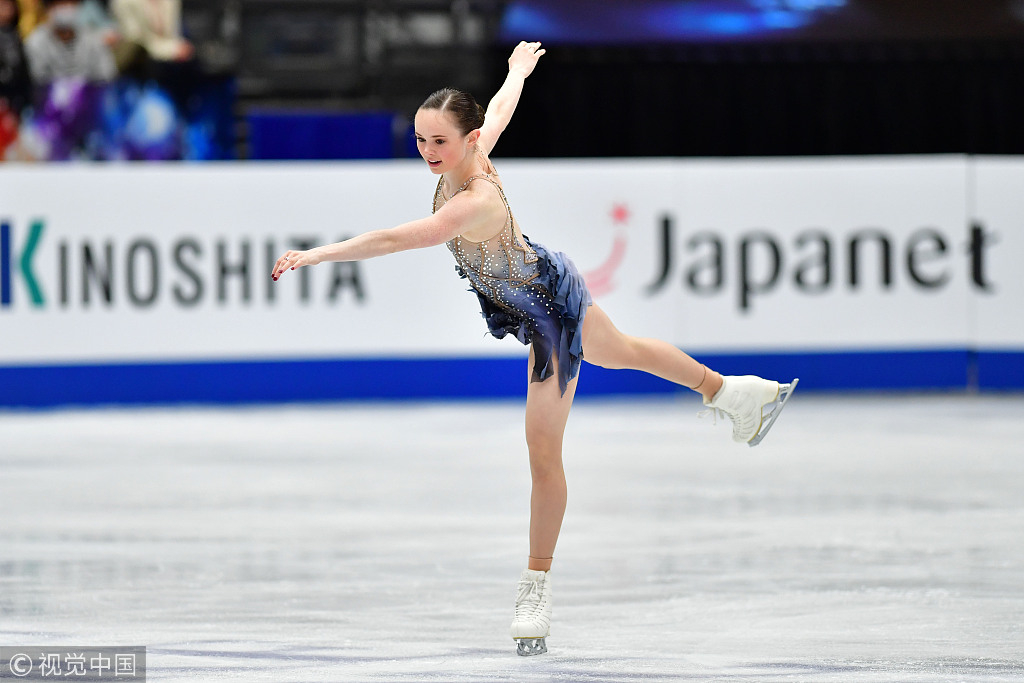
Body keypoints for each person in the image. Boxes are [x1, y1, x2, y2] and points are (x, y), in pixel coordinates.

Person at [272, 41, 798, 657]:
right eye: (420, 140)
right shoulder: (472, 154)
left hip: (548, 312)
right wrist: (517, 71)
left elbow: (393, 239)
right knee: (623, 348)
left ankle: (535, 587)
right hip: (543, 283)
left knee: (541, 450)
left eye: (440, 142)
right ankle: (735, 395)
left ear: (466, 142)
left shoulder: (475, 199)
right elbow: (498, 110)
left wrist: (316, 253)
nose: (428, 153)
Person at [23, 0, 115, 85]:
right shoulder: (36, 42)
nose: (66, 8)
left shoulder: (92, 38)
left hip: (90, 98)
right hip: (51, 100)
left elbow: (107, 74)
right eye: (60, 4)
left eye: (70, 3)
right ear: (48, 8)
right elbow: (38, 80)